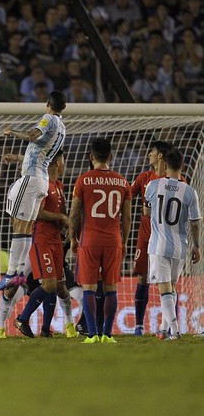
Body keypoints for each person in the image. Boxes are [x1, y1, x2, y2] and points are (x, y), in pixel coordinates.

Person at [0, 91, 67, 296]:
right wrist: (18, 158)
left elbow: (33, 136)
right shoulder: (62, 127)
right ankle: (17, 273)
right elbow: (41, 150)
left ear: (47, 104)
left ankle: (10, 273)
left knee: (18, 224)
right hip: (41, 180)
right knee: (25, 227)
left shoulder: (48, 118)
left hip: (32, 179)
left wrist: (12, 132)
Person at [68, 138, 132, 344]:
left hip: (90, 239)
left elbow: (75, 213)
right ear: (111, 157)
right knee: (111, 287)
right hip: (113, 239)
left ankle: (93, 334)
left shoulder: (83, 180)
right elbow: (127, 218)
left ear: (91, 157)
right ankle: (107, 334)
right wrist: (124, 241)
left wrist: (73, 238)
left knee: (89, 287)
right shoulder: (123, 182)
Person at [12, 150, 78, 338]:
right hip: (42, 240)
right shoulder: (42, 185)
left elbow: (60, 213)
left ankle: (45, 329)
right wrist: (61, 217)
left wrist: (66, 226)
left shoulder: (59, 185)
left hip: (56, 240)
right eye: (64, 160)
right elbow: (37, 213)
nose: (65, 164)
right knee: (48, 284)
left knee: (58, 285)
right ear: (57, 162)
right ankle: (22, 319)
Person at [144, 149, 201, 340]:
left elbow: (145, 211)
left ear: (165, 165)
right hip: (179, 247)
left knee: (165, 290)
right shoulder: (190, 191)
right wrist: (196, 246)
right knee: (172, 288)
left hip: (158, 246)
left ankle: (175, 331)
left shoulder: (152, 185)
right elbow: (194, 222)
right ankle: (163, 328)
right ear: (182, 166)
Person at [129, 140, 175, 335]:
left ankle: (168, 326)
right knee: (143, 278)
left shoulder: (175, 180)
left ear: (161, 156)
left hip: (167, 238)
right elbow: (127, 197)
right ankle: (139, 326)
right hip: (146, 236)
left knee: (169, 282)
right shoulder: (144, 178)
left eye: (152, 151)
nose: (149, 154)